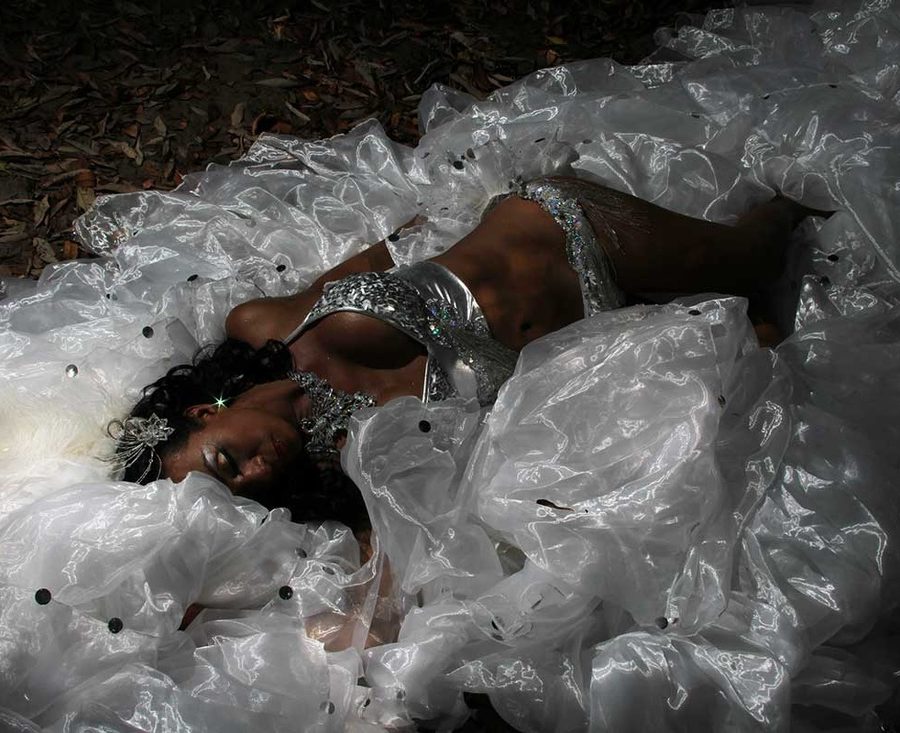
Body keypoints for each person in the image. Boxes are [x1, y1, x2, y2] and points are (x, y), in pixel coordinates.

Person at [116, 175, 817, 527]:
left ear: (204, 412)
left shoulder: (264, 325)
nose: (254, 471)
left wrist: (444, 208)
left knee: (763, 253)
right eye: (243, 488)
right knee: (759, 341)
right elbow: (396, 554)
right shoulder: (342, 469)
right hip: (610, 330)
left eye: (226, 461)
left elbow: (372, 259)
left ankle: (786, 201)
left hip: (564, 234)